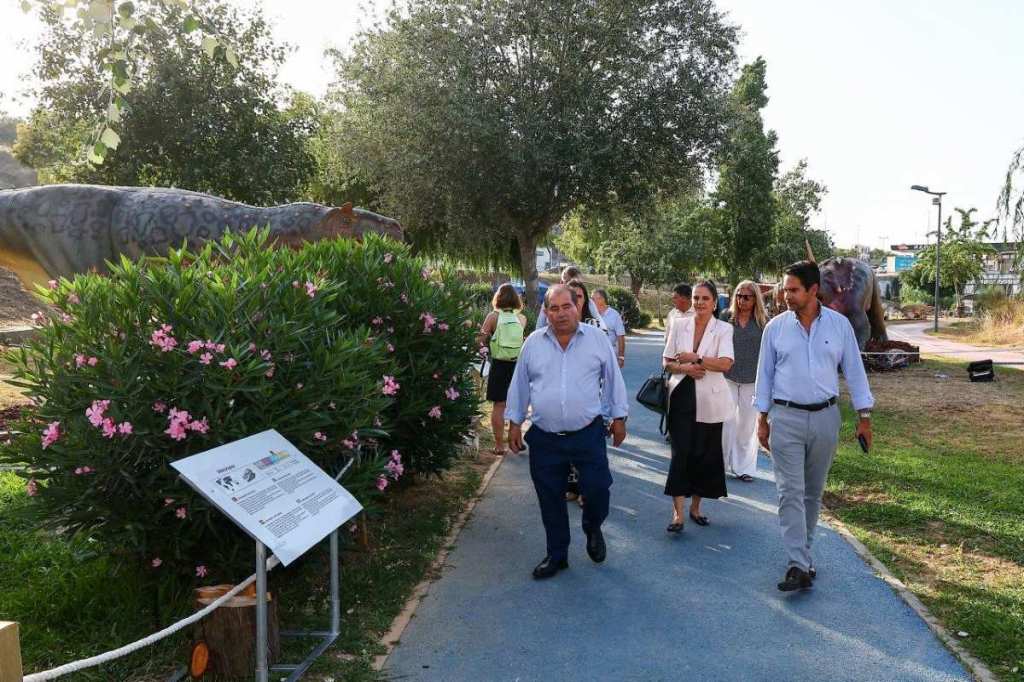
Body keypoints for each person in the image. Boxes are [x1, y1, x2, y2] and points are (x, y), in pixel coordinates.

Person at [754, 260, 874, 592]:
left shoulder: (839, 326)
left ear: (813, 290)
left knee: (812, 493)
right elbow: (764, 376)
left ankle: (803, 559)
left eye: (793, 290)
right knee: (788, 492)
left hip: (825, 418)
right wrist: (761, 419)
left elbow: (855, 372)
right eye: (785, 289)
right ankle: (797, 563)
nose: (786, 295)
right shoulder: (775, 328)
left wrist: (864, 418)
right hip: (785, 418)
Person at [507, 284, 628, 579]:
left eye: (566, 306)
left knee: (598, 489)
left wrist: (619, 417)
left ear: (578, 307)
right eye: (554, 308)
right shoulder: (533, 344)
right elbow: (520, 384)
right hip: (545, 437)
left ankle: (593, 526)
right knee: (550, 497)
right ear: (546, 312)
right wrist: (514, 422)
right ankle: (557, 555)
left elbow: (613, 379)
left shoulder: (597, 340)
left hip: (587, 433)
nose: (561, 313)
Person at [661, 281, 734, 533]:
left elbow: (725, 364)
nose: (699, 302)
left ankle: (695, 508)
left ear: (714, 303)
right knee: (680, 453)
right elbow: (667, 361)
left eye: (705, 298)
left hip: (710, 400)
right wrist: (686, 368)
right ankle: (678, 514)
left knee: (704, 454)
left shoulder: (724, 329)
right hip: (681, 396)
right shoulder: (679, 324)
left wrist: (698, 359)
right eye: (696, 298)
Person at [719, 280, 768, 482]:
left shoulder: (764, 322)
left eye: (746, 297)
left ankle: (744, 468)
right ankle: (719, 466)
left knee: (747, 427)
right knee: (725, 423)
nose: (742, 300)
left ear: (755, 299)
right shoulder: (726, 317)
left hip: (752, 380)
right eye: (739, 295)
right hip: (727, 377)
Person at [564, 279, 607, 502]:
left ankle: (586, 490)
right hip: (564, 394)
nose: (574, 300)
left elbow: (605, 361)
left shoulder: (595, 325)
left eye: (579, 296)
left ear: (585, 299)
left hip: (589, 394)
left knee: (587, 444)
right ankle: (572, 486)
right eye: (570, 295)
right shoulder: (557, 324)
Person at [476, 283, 528, 455]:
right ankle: (516, 440)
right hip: (517, 366)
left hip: (499, 365)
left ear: (497, 298)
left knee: (499, 406)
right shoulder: (522, 319)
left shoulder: (493, 317)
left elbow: (480, 340)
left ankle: (499, 445)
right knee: (516, 405)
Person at [592, 288, 626, 369]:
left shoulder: (614, 315)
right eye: (591, 299)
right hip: (593, 355)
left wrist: (621, 357)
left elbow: (620, 336)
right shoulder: (591, 314)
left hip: (610, 355)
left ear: (602, 299)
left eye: (594, 299)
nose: (591, 301)